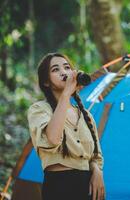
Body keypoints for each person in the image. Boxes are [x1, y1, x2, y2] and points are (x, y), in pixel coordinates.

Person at [27, 53, 105, 200]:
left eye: (67, 67)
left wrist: (97, 170)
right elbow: (53, 139)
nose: (63, 72)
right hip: (60, 187)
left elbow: (96, 155)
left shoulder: (86, 115)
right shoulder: (39, 110)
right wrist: (66, 94)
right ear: (46, 82)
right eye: (55, 69)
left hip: (89, 187)